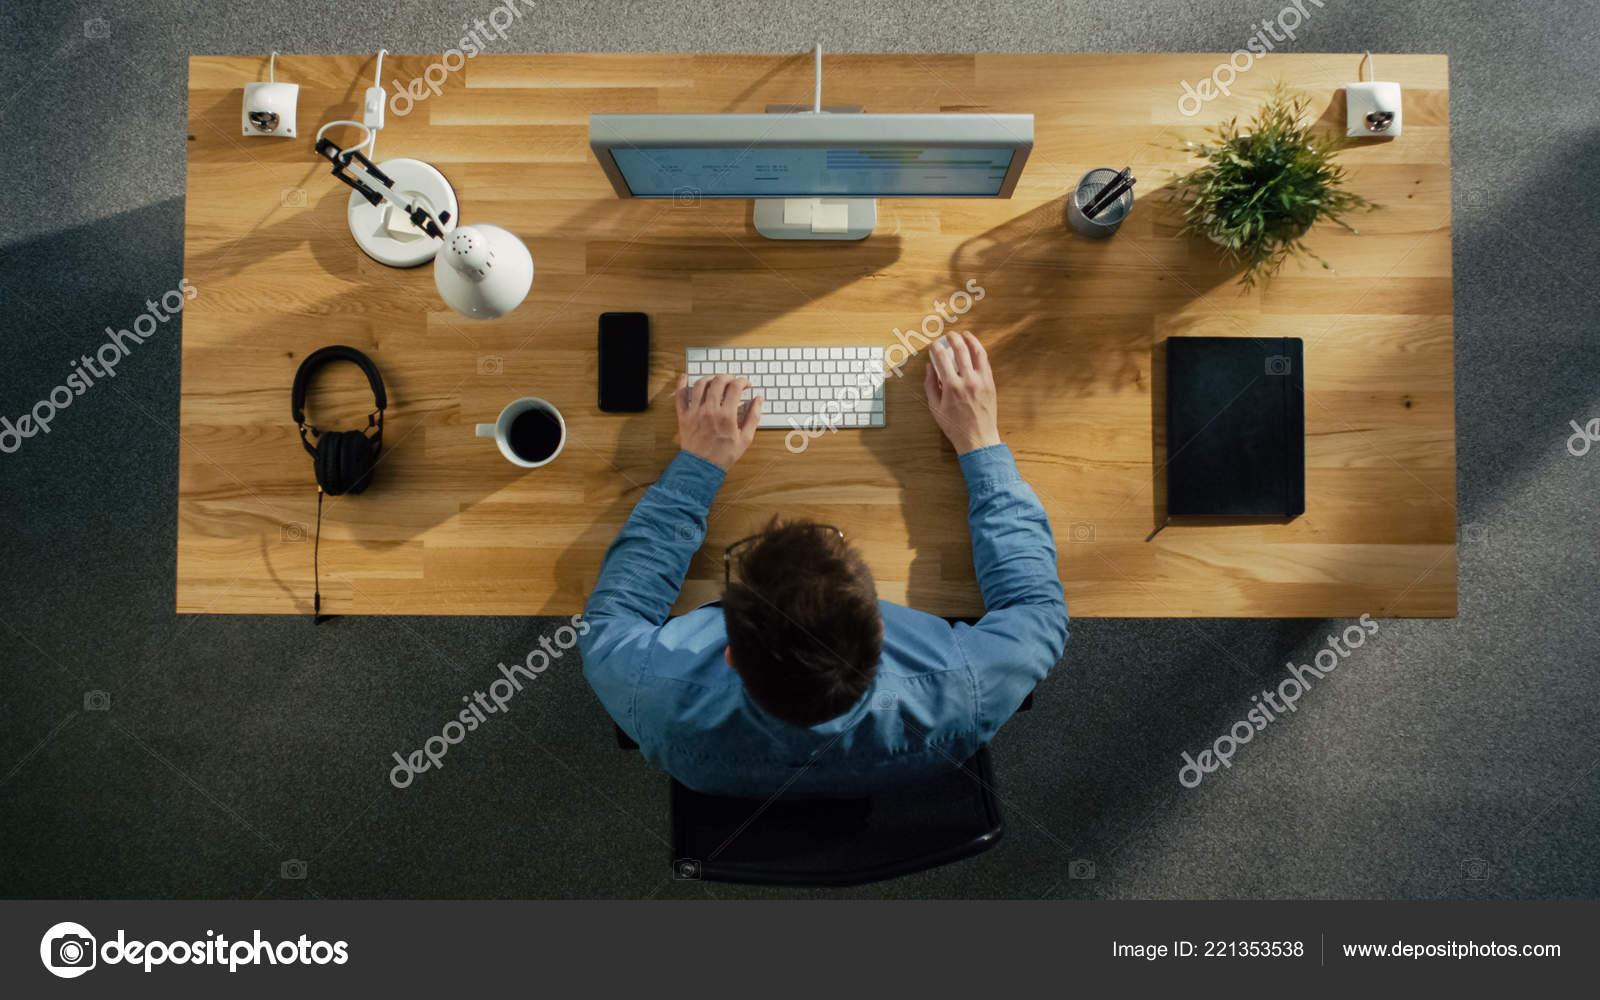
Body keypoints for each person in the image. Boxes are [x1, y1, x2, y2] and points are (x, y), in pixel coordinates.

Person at [579, 331, 1068, 797]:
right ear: (880, 629)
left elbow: (614, 615)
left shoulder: (647, 694)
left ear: (730, 654)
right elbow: (1037, 610)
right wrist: (980, 441)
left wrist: (698, 466)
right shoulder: (965, 690)